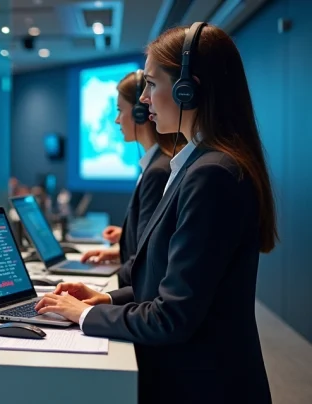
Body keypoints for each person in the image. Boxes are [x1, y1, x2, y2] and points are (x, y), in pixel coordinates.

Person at [35, 23, 275, 404]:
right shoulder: (199, 166)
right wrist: (106, 300)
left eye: (150, 84)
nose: (144, 100)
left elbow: (172, 317)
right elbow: (171, 284)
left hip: (201, 387)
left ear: (188, 89)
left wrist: (82, 315)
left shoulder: (211, 175)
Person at [80, 70, 174, 287]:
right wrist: (121, 248)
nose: (116, 120)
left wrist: (100, 290)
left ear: (140, 113)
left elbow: (151, 257)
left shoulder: (158, 171)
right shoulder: (155, 164)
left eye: (120, 110)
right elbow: (149, 240)